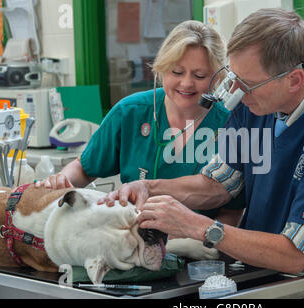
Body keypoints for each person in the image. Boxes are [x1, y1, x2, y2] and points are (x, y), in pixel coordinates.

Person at [100, 9, 304, 299]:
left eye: (247, 83)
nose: (235, 91)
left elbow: (294, 254)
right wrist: (149, 188)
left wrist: (196, 225)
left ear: (294, 80)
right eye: (233, 76)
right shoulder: (253, 105)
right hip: (266, 272)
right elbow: (220, 184)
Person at [36, 20, 244, 227]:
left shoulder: (230, 124)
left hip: (195, 247)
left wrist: (206, 244)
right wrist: (62, 182)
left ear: (218, 77)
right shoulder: (131, 112)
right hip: (133, 236)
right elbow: (85, 167)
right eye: (177, 72)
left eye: (199, 75)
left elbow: (232, 211)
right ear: (161, 69)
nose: (187, 83)